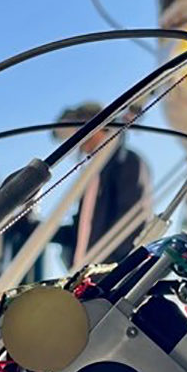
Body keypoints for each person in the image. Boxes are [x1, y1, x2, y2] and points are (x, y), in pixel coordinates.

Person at [52, 102, 151, 268]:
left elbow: (132, 223)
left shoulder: (127, 163)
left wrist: (109, 272)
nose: (78, 145)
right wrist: (32, 228)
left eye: (77, 134)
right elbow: (79, 233)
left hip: (109, 280)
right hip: (82, 279)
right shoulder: (91, 178)